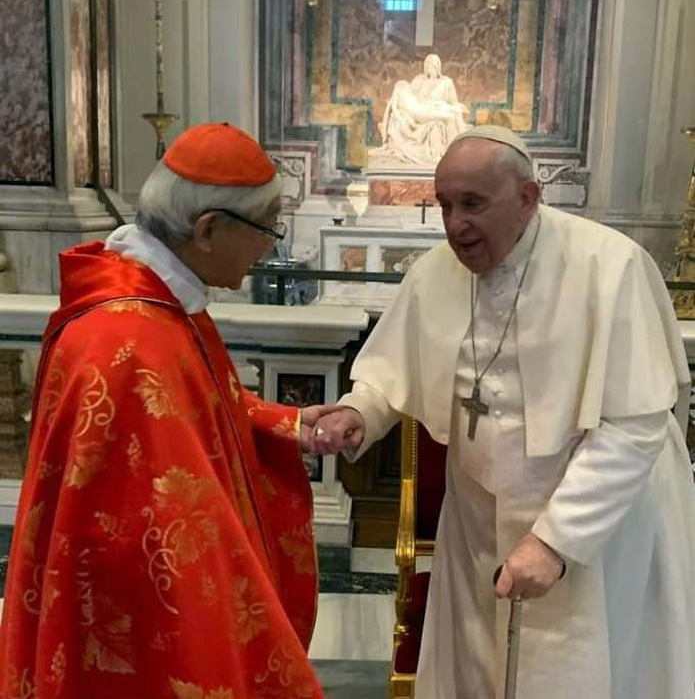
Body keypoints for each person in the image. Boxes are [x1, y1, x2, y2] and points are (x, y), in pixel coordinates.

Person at [311, 125, 695, 698]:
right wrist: (360, 411)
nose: (454, 225)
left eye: (472, 204)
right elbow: (395, 368)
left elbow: (634, 427)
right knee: (478, 665)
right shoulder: (437, 271)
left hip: (597, 518)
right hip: (477, 516)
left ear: (527, 198)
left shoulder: (611, 267)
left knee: (583, 668)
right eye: (445, 205)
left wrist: (557, 540)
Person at [0, 123, 330, 699]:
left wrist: (288, 424)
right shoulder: (128, 339)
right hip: (141, 627)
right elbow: (147, 538)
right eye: (267, 227)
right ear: (208, 229)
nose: (270, 246)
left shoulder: (156, 304)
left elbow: (194, 408)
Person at [374, 54, 470, 166]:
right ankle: (454, 153)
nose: (430, 68)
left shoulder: (446, 82)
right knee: (448, 118)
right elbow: (403, 102)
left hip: (434, 109)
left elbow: (453, 102)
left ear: (438, 67)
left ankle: (456, 151)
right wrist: (399, 117)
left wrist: (458, 106)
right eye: (428, 66)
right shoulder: (417, 81)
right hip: (423, 112)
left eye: (433, 66)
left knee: (455, 112)